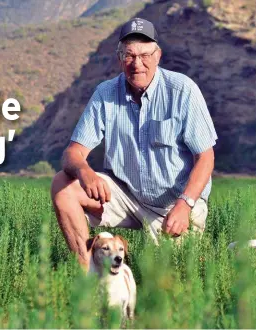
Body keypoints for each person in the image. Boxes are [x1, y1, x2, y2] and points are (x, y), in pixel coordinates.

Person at [50, 17, 218, 267]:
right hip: (126, 194)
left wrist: (185, 204)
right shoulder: (105, 93)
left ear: (158, 55)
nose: (137, 64)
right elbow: (72, 153)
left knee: (172, 283)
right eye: (129, 55)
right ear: (120, 58)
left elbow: (205, 157)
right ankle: (88, 275)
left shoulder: (183, 90)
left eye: (144, 55)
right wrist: (84, 171)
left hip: (175, 203)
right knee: (63, 184)